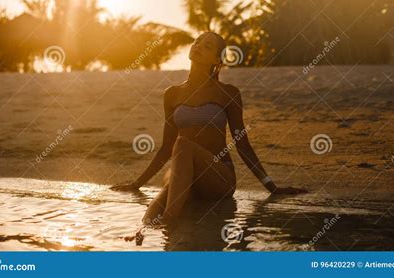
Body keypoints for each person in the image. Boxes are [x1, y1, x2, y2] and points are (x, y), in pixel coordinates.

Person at [112, 32, 306, 223]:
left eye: (207, 46)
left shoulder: (228, 93)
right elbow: (165, 148)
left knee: (183, 144)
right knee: (156, 207)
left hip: (219, 177)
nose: (198, 46)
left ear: (216, 59)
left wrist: (271, 187)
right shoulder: (172, 94)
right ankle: (145, 233)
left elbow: (242, 145)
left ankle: (169, 225)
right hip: (185, 174)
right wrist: (136, 184)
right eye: (197, 42)